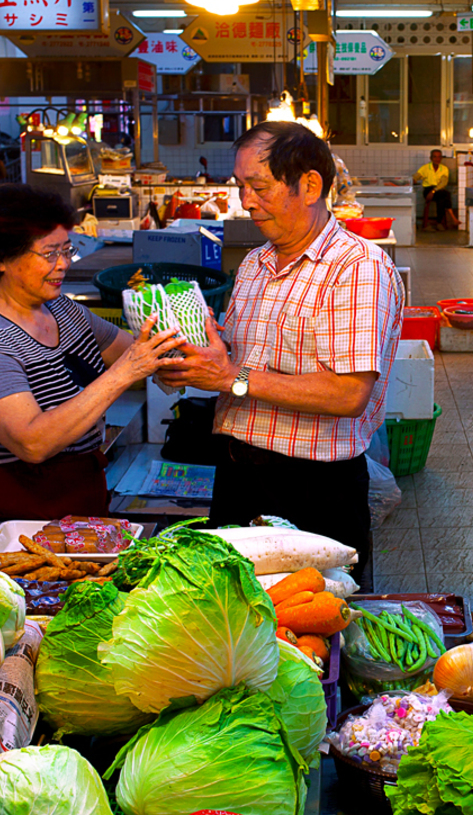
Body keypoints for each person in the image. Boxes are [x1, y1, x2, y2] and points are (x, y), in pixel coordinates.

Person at [157, 121, 404, 584]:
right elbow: (237, 356)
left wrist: (231, 377)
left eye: (259, 186)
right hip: (236, 476)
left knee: (313, 628)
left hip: (313, 490)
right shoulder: (255, 263)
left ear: (309, 185)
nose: (246, 201)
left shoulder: (358, 269)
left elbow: (348, 393)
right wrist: (191, 363)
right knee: (233, 620)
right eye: (241, 186)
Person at [0, 184, 183, 520]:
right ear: (1, 259)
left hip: (80, 492)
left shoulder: (62, 311)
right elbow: (32, 443)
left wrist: (186, 335)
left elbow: (140, 354)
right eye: (49, 254)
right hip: (4, 510)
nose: (63, 264)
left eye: (67, 250)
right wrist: (125, 372)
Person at [415, 149, 456, 230]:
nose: (437, 159)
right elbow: (416, 176)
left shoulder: (444, 169)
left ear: (441, 158)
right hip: (427, 190)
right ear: (431, 158)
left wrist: (433, 191)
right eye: (435, 157)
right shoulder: (425, 168)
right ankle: (444, 220)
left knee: (442, 197)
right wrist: (410, 181)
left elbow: (443, 183)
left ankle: (438, 222)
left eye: (439, 157)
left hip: (438, 190)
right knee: (446, 194)